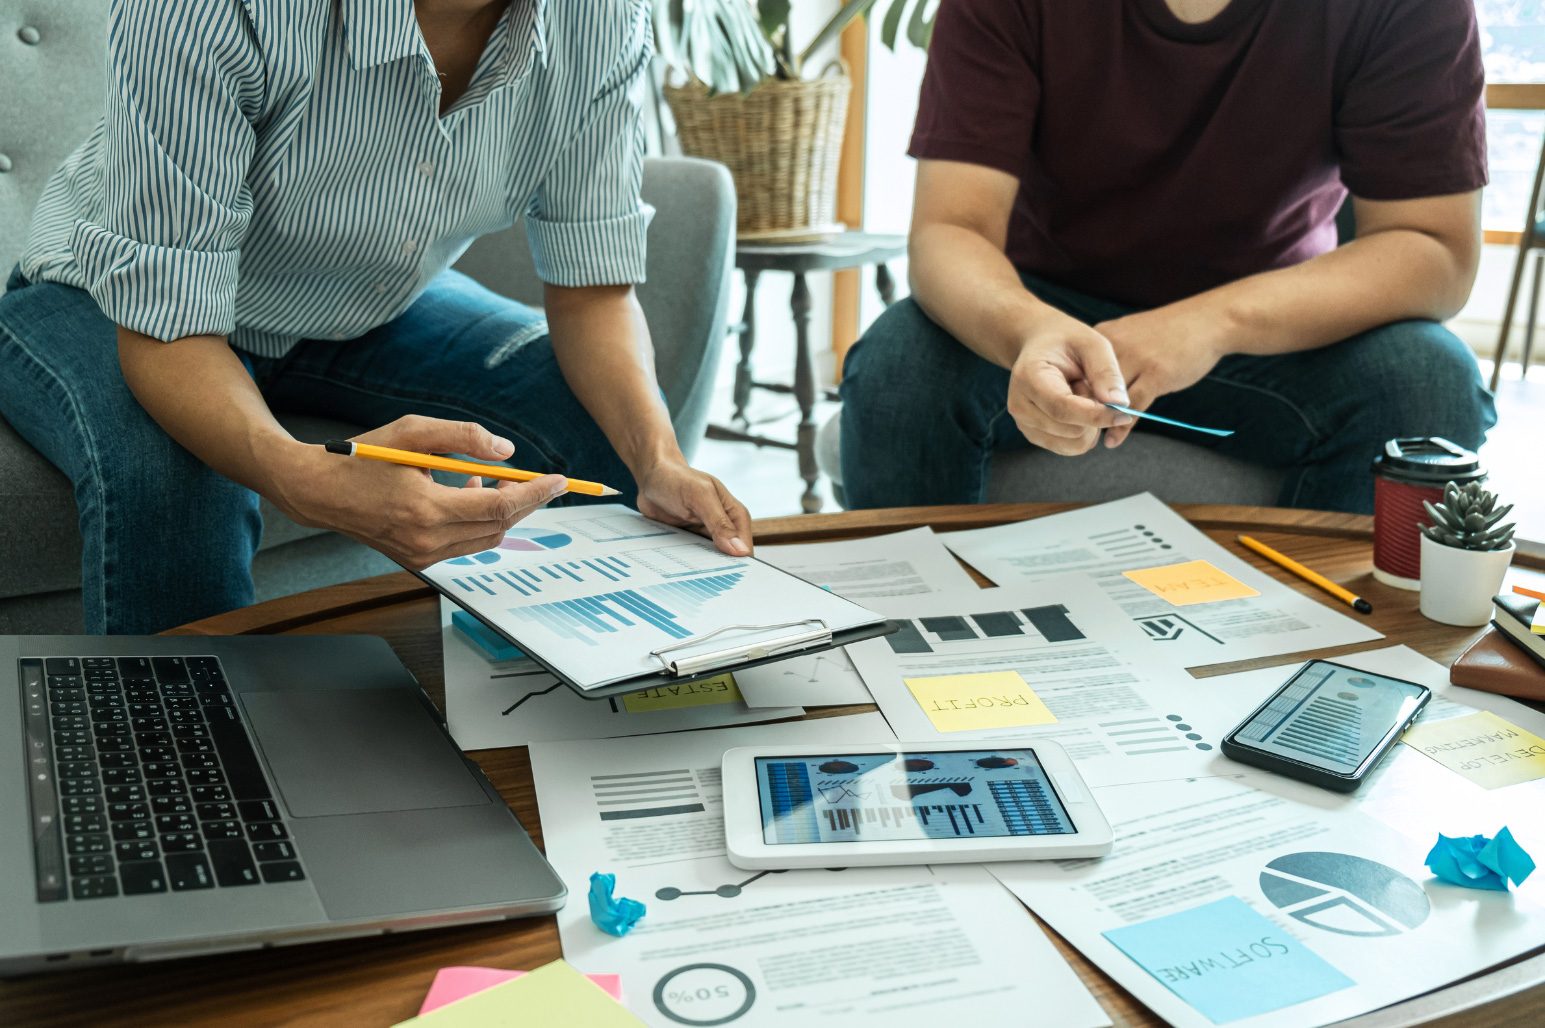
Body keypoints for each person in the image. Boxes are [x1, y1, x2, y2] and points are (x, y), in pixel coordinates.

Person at [0, 0, 751, 635]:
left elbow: (594, 291)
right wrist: (297, 475)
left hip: (364, 303)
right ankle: (182, 776)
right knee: (180, 474)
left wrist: (661, 462)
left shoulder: (603, 19)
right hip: (112, 297)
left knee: (595, 434)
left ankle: (552, 729)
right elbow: (172, 317)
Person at [839, 0, 1497, 513]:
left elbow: (1434, 248)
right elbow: (950, 228)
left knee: (1427, 379)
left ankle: (1336, 670)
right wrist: (1028, 331)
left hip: (1280, 325)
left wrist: (1212, 324)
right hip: (1048, 312)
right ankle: (905, 652)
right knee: (901, 362)